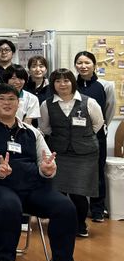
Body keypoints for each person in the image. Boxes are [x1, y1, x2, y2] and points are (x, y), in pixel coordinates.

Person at [0, 84, 82, 261]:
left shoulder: (32, 132)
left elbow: (46, 160)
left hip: (32, 187)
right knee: (9, 205)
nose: (6, 103)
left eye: (11, 99)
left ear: (18, 103)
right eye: (1, 99)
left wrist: (47, 169)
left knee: (65, 207)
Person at [40, 69, 104, 238]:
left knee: (79, 193)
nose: (62, 84)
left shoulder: (89, 102)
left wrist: (81, 137)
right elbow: (45, 128)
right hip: (59, 153)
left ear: (72, 82)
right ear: (53, 84)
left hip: (85, 154)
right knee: (58, 192)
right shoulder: (47, 104)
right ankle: (60, 223)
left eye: (66, 80)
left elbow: (98, 124)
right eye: (58, 81)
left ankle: (80, 224)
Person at [74, 50, 115, 222]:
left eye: (87, 62)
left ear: (94, 65)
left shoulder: (105, 85)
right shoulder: (70, 84)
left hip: (97, 136)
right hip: (75, 136)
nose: (83, 66)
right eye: (79, 63)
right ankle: (78, 209)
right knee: (76, 172)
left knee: (97, 172)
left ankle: (98, 209)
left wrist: (100, 127)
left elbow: (109, 109)